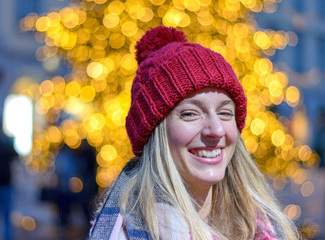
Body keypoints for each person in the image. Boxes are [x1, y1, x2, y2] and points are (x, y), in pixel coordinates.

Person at [89, 26, 299, 240]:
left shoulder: (267, 228)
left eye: (225, 113)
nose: (216, 130)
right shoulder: (125, 234)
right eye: (190, 114)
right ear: (154, 133)